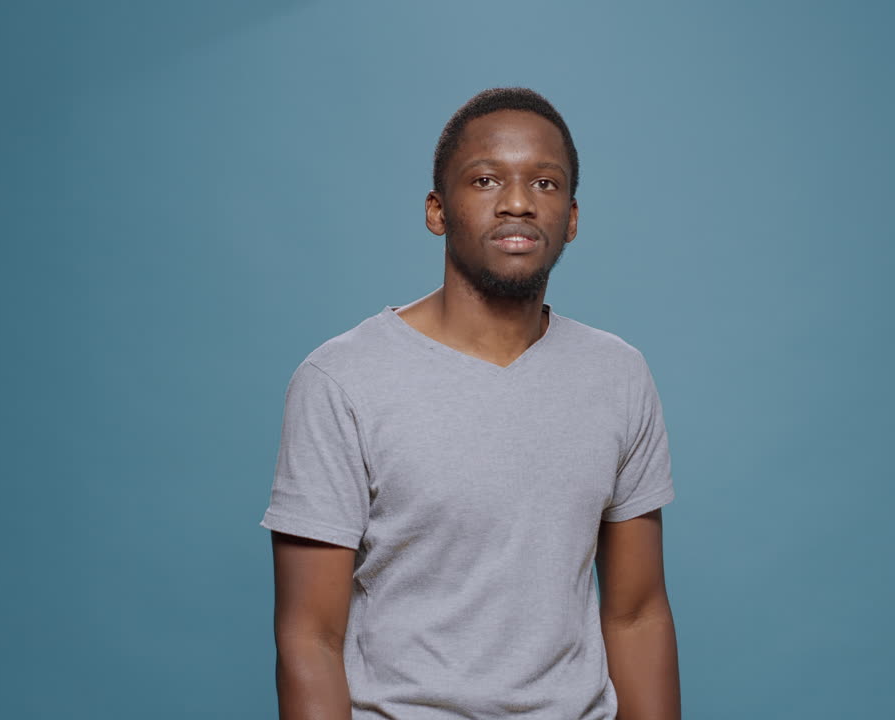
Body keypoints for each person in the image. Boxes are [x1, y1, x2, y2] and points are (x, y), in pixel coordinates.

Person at [260, 87, 680, 719]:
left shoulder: (617, 375)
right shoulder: (341, 380)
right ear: (437, 210)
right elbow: (309, 638)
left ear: (570, 216)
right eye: (485, 180)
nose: (517, 202)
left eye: (544, 183)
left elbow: (637, 615)